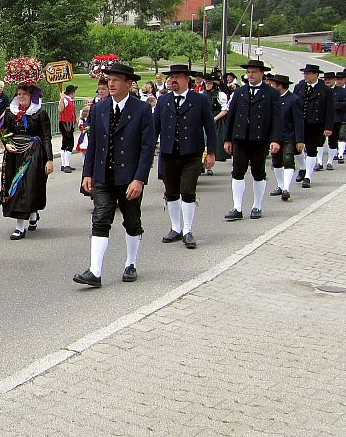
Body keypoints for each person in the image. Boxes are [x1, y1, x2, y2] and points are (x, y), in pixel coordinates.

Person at [73, 63, 155, 287]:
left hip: (129, 178)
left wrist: (139, 179)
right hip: (103, 175)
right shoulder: (100, 108)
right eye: (109, 79)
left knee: (131, 221)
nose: (111, 83)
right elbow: (94, 144)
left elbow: (147, 149)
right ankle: (95, 271)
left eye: (116, 79)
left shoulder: (142, 109)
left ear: (129, 83)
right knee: (100, 218)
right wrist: (87, 173)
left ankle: (131, 263)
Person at [153, 64, 215, 250]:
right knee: (171, 192)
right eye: (171, 77)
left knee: (188, 191)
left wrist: (211, 152)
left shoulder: (199, 100)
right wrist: (147, 153)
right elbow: (155, 128)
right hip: (169, 153)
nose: (173, 81)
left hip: (192, 153)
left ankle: (188, 230)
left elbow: (210, 127)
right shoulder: (163, 101)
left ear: (186, 79)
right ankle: (176, 228)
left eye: (177, 77)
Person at [0, 57, 53, 239]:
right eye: (19, 94)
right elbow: (3, 132)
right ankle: (25, 220)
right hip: (14, 153)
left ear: (31, 97)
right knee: (16, 187)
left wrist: (50, 159)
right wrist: (7, 144)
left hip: (33, 153)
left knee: (27, 187)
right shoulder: (11, 113)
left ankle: (25, 220)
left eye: (25, 95)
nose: (21, 97)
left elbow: (46, 137)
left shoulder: (40, 113)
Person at [223, 60, 281, 221]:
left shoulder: (271, 93)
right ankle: (237, 207)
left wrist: (275, 140)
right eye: (248, 72)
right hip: (240, 138)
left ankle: (257, 205)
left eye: (254, 72)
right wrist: (228, 139)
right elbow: (231, 115)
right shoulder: (240, 92)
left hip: (259, 139)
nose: (251, 75)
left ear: (261, 73)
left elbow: (277, 118)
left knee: (258, 172)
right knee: (237, 172)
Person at [293, 64, 334, 188]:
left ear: (316, 75)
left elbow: (329, 110)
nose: (305, 75)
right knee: (296, 149)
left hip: (315, 124)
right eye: (304, 73)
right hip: (300, 123)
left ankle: (308, 177)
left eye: (308, 73)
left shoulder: (325, 90)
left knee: (311, 149)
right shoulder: (299, 87)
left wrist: (328, 127)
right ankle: (303, 167)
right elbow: (294, 105)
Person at [268, 74, 304, 201]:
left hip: (289, 135)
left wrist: (300, 140)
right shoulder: (272, 99)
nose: (271, 86)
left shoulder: (294, 99)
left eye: (274, 84)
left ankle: (286, 189)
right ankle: (280, 185)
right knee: (276, 162)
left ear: (280, 86)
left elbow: (299, 121)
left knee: (288, 160)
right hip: (275, 137)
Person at [322, 72, 343, 169]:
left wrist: (334, 105)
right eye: (326, 79)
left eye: (330, 79)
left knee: (333, 140)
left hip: (336, 118)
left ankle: (330, 162)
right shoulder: (320, 90)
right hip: (320, 119)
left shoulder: (341, 91)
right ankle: (319, 162)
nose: (327, 80)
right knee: (319, 141)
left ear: (334, 79)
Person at [58, 84, 77, 173]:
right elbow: (61, 109)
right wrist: (61, 99)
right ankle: (66, 165)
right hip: (66, 123)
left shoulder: (68, 100)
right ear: (72, 93)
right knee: (69, 143)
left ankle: (64, 164)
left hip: (68, 123)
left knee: (65, 143)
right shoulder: (65, 100)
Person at [335, 71, 346, 163]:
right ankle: (336, 152)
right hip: (335, 117)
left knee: (342, 135)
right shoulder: (332, 90)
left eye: (341, 79)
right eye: (337, 79)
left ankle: (341, 154)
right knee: (335, 136)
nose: (339, 81)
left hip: (344, 116)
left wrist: (335, 105)